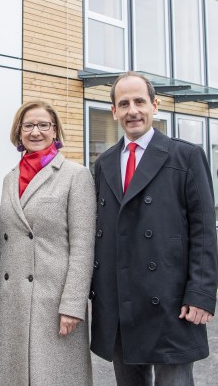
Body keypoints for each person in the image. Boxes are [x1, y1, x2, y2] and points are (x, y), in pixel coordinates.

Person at [90, 72, 218, 386]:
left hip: (171, 302)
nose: (132, 110)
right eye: (124, 103)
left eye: (139, 101)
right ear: (114, 112)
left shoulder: (186, 156)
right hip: (122, 303)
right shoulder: (103, 164)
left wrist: (201, 294)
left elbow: (204, 231)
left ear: (155, 105)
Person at [0, 100, 96, 386]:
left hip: (55, 301)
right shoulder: (10, 179)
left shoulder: (75, 175)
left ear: (55, 130)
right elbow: (8, 242)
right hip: (15, 301)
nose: (36, 132)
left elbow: (83, 246)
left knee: (54, 377)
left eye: (43, 125)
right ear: (18, 132)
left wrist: (73, 305)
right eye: (28, 126)